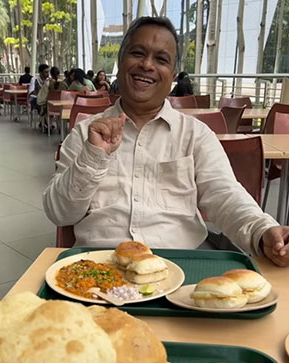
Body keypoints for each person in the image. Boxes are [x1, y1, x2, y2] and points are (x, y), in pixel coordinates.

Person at [43, 17, 289, 267]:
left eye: (161, 59)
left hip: (182, 265)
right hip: (100, 266)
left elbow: (225, 194)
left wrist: (263, 231)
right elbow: (59, 212)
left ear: (172, 75)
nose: (147, 65)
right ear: (120, 61)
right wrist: (93, 156)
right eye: (137, 53)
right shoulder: (86, 133)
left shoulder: (195, 135)